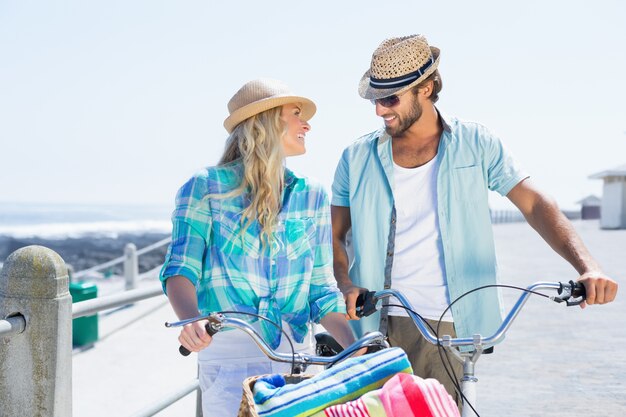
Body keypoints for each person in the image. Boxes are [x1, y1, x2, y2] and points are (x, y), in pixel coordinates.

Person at [330, 35, 619, 406]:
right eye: (375, 98)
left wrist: (588, 266)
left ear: (427, 88)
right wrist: (346, 283)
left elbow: (533, 204)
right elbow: (336, 237)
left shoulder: (476, 143)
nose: (378, 110)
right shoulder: (355, 157)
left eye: (390, 98)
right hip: (373, 324)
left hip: (451, 324)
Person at [160, 79, 359, 416]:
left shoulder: (312, 195)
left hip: (299, 360)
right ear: (265, 121)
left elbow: (322, 290)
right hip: (229, 357)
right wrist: (191, 320)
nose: (307, 124)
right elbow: (181, 268)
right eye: (296, 114)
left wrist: (356, 348)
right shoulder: (204, 187)